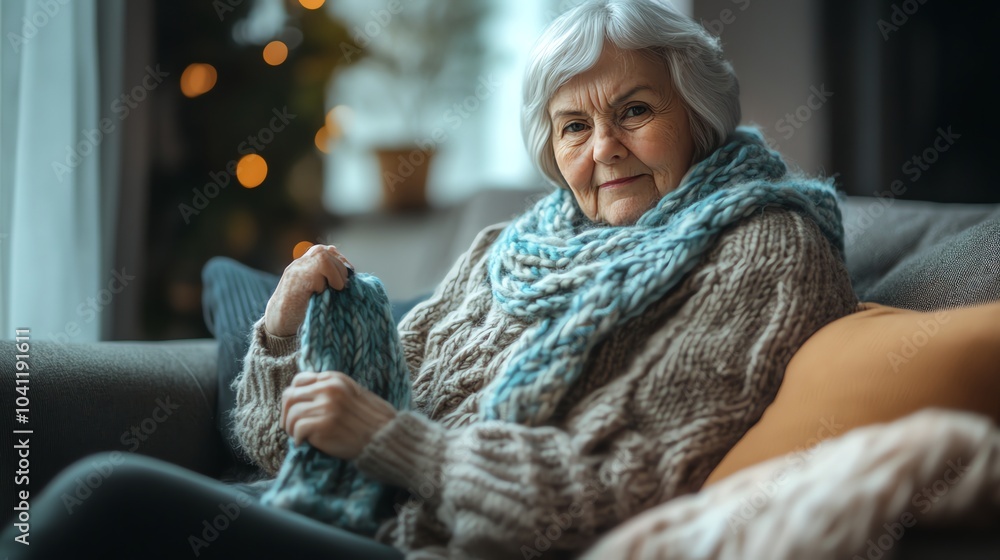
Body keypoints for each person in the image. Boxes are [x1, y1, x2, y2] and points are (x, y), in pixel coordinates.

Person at [1, 0, 860, 558]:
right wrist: (279, 331)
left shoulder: (765, 250)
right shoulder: (510, 247)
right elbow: (288, 443)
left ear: (699, 117)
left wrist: (398, 442)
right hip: (349, 514)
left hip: (436, 546)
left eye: (634, 110)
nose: (602, 150)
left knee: (103, 499)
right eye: (572, 126)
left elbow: (630, 495)